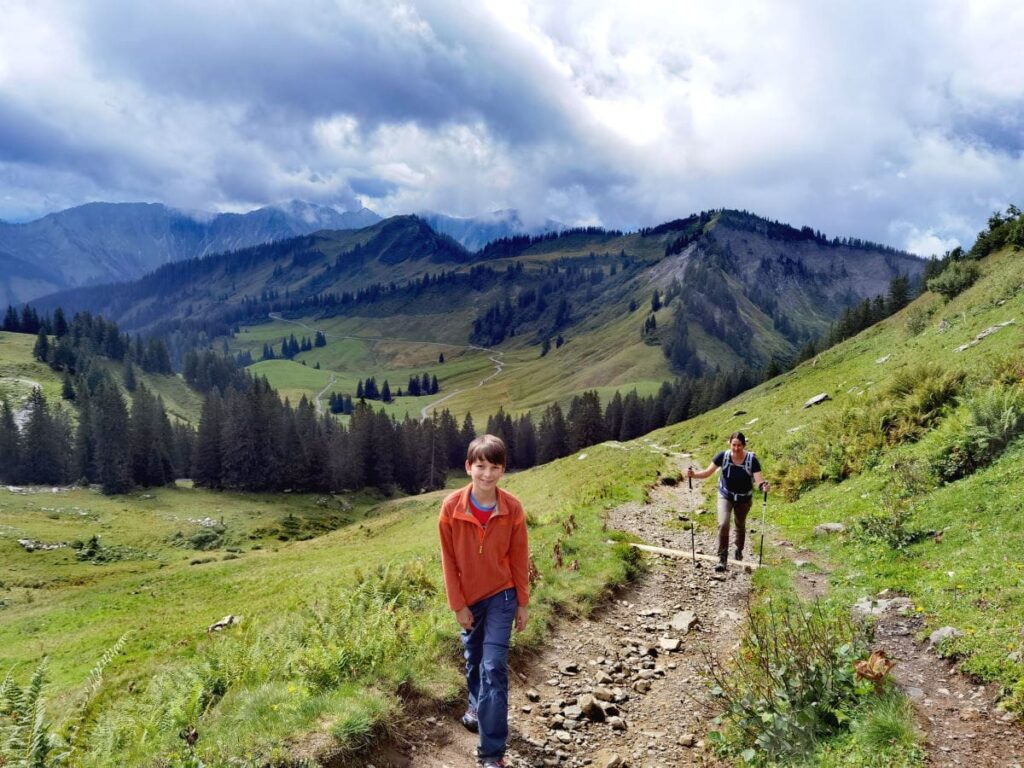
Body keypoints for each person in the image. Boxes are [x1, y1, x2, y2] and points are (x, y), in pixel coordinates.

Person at [438, 434, 530, 768]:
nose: (487, 474)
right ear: (468, 467)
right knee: (474, 658)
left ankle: (492, 753)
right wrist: (457, 605)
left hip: (502, 597)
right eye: (481, 466)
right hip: (469, 599)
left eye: (494, 467)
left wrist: (523, 602)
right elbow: (448, 560)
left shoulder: (512, 508)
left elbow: (520, 559)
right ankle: (476, 705)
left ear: (503, 470)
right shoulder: (451, 507)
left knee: (493, 667)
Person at [687, 432, 769, 572]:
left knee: (740, 524)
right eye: (734, 445)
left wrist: (763, 487)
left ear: (744, 445)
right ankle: (722, 558)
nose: (736, 448)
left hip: (744, 498)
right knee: (723, 523)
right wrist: (694, 475)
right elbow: (707, 473)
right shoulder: (723, 456)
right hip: (725, 495)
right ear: (730, 444)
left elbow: (759, 481)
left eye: (739, 445)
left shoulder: (752, 460)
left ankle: (739, 549)